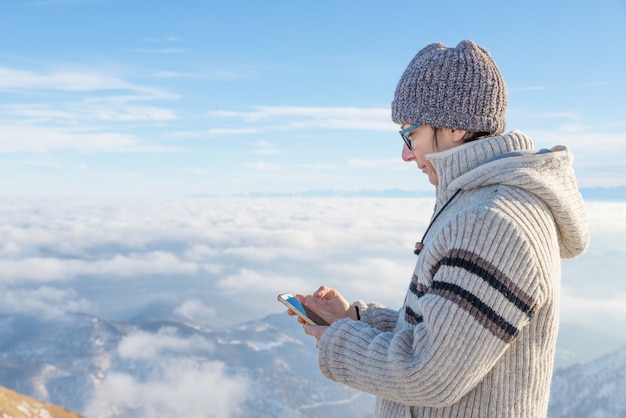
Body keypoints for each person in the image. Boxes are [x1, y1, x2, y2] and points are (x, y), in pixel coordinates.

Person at [288, 40, 590, 417]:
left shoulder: (492, 222)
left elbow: (429, 371)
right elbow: (443, 332)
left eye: (410, 134)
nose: (405, 154)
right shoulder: (477, 202)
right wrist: (354, 319)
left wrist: (340, 342)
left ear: (453, 128)